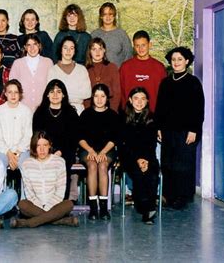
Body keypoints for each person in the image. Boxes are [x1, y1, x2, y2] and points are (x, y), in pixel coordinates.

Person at [156, 47, 204, 210]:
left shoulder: (193, 83)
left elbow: (198, 109)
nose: (176, 62)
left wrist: (194, 130)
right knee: (168, 163)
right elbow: (160, 108)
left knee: (183, 165)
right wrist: (159, 128)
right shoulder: (166, 83)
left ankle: (183, 197)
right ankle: (169, 195)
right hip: (168, 131)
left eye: (180, 59)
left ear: (187, 61)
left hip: (186, 132)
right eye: (174, 59)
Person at [10, 131, 78, 228]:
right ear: (34, 147)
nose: (42, 149)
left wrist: (48, 207)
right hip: (35, 206)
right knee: (22, 204)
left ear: (50, 145)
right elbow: (29, 192)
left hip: (55, 205)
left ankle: (27, 223)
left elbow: (60, 190)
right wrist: (42, 208)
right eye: (38, 146)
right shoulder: (26, 164)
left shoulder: (59, 162)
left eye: (45, 145)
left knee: (69, 204)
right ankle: (59, 220)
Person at [33, 79, 80, 200]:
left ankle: (61, 203)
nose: (55, 95)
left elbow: (73, 138)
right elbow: (37, 136)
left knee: (61, 164)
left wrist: (60, 151)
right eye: (52, 91)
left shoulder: (71, 113)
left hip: (66, 151)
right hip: (44, 150)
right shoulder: (39, 113)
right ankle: (43, 202)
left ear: (63, 95)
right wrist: (49, 151)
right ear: (47, 94)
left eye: (59, 92)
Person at [78, 84, 120, 220]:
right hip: (87, 150)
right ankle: (93, 207)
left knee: (102, 165)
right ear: (92, 97)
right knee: (92, 165)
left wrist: (102, 152)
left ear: (107, 98)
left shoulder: (113, 115)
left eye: (102, 96)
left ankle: (103, 207)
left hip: (107, 150)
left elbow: (115, 138)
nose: (99, 99)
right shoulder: (86, 114)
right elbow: (79, 137)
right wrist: (90, 150)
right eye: (96, 96)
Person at [119, 87, 159, 224]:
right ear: (130, 100)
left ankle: (148, 209)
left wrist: (145, 160)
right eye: (136, 98)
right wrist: (137, 159)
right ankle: (146, 208)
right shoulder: (122, 118)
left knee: (152, 173)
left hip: (148, 157)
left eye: (143, 99)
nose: (139, 102)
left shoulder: (152, 119)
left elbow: (151, 144)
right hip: (129, 157)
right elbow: (124, 145)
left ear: (147, 101)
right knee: (138, 173)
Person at [119, 30, 166, 112]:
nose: (140, 49)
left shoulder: (159, 67)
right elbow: (120, 93)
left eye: (143, 45)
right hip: (130, 115)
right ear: (134, 47)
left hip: (153, 115)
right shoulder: (125, 67)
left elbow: (164, 94)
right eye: (137, 46)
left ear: (150, 45)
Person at [0, 79, 32, 170]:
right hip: (2, 151)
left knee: (26, 166)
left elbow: (28, 136)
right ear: (5, 93)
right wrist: (9, 154)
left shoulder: (26, 111)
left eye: (16, 92)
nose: (13, 95)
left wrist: (17, 154)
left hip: (22, 151)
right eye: (10, 92)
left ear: (20, 94)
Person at [48, 35, 91, 114]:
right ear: (61, 50)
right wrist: (77, 95)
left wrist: (63, 94)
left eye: (71, 48)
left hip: (79, 112)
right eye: (65, 48)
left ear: (74, 51)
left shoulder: (82, 70)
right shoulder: (53, 70)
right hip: (59, 112)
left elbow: (87, 93)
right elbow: (52, 94)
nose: (68, 51)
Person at [9, 34, 53, 111]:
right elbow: (12, 87)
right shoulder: (17, 63)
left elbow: (52, 87)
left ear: (39, 45)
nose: (32, 48)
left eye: (35, 44)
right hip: (22, 109)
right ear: (25, 47)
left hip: (43, 109)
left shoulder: (48, 62)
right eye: (29, 45)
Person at [84, 37, 121, 112]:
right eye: (94, 49)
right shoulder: (84, 70)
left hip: (109, 108)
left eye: (100, 49)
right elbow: (85, 96)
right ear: (90, 52)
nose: (97, 52)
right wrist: (88, 111)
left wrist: (112, 111)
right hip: (90, 110)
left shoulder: (112, 67)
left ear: (104, 50)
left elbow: (117, 93)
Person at [91, 2, 132, 68]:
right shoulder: (94, 35)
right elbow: (88, 57)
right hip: (98, 76)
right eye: (105, 14)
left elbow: (128, 56)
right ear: (101, 16)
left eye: (110, 14)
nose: (108, 17)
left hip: (117, 75)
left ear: (114, 16)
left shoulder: (122, 34)